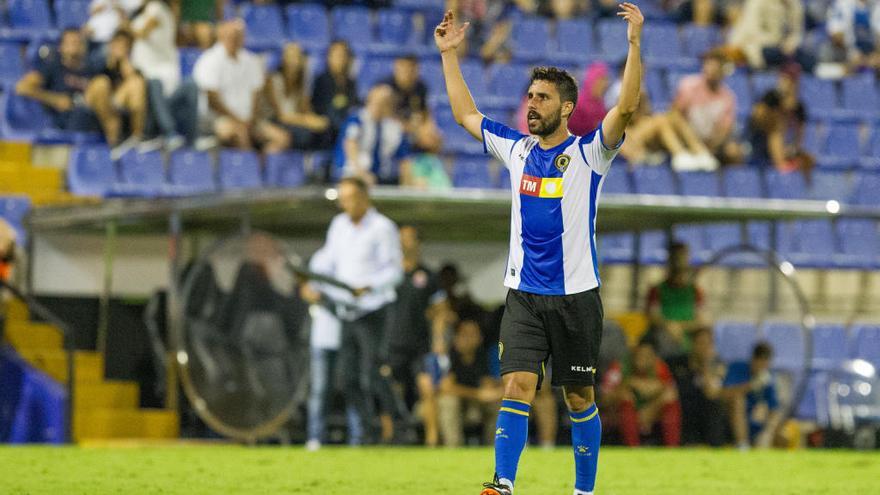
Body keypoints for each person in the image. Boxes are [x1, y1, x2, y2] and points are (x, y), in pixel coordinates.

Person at [434, 5, 644, 494]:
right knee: (516, 386)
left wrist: (634, 44)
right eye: (530, 96)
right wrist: (449, 56)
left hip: (577, 298)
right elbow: (466, 114)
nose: (531, 104)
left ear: (566, 108)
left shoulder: (591, 153)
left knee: (577, 397)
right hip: (524, 295)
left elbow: (627, 107)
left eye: (543, 98)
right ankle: (502, 485)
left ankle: (583, 491)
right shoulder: (517, 149)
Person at [301, 177, 404, 445]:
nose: (346, 204)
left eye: (350, 198)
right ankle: (368, 433)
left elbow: (395, 271)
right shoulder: (338, 226)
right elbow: (327, 260)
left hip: (374, 310)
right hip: (347, 311)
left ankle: (400, 426)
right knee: (347, 379)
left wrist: (369, 287)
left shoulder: (383, 227)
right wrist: (313, 281)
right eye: (342, 199)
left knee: (371, 374)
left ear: (364, 197)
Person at [16, 30, 127, 149]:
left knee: (113, 88)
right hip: (68, 118)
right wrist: (54, 99)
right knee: (101, 85)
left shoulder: (91, 69)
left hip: (92, 114)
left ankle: (123, 146)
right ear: (61, 47)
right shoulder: (53, 66)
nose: (75, 45)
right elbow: (22, 87)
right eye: (71, 42)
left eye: (78, 42)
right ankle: (115, 147)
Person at [192, 20, 289, 152]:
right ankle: (250, 169)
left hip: (249, 119)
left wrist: (251, 120)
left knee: (282, 138)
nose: (235, 38)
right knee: (240, 134)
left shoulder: (251, 60)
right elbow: (212, 101)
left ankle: (263, 167)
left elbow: (257, 95)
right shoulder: (209, 60)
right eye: (232, 35)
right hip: (218, 119)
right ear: (222, 35)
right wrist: (239, 121)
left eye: (239, 35)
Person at [386, 226, 445, 413]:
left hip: (420, 344)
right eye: (400, 238)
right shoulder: (388, 275)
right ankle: (391, 438)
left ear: (418, 242)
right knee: (391, 391)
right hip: (392, 343)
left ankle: (432, 440)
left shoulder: (429, 275)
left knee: (427, 388)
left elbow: (440, 311)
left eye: (408, 238)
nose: (404, 242)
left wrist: (438, 340)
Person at [130, 0, 196, 149]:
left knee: (154, 84)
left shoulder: (156, 7)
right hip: (155, 69)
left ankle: (169, 133)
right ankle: (155, 134)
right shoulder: (161, 11)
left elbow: (142, 32)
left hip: (160, 71)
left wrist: (122, 24)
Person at [601, 340, 682, 447]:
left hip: (649, 414)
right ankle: (632, 447)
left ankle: (672, 447)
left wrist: (650, 410)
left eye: (647, 356)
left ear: (654, 358)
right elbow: (604, 401)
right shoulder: (619, 368)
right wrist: (627, 385)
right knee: (626, 396)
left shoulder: (660, 368)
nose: (642, 359)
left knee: (669, 397)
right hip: (616, 415)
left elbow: (671, 393)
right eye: (639, 355)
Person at [438, 319, 504, 447]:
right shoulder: (448, 355)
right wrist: (478, 394)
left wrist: (494, 392)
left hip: (475, 406)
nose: (469, 339)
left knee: (498, 404)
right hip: (448, 405)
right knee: (449, 401)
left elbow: (487, 384)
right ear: (456, 337)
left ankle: (495, 449)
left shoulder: (483, 355)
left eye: (473, 334)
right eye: (465, 334)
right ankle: (453, 449)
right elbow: (445, 387)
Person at [669, 51, 739, 169]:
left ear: (722, 72)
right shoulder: (689, 85)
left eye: (715, 67)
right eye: (708, 65)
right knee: (674, 119)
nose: (711, 70)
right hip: (686, 139)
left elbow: (725, 129)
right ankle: (697, 154)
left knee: (734, 151)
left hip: (711, 144)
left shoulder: (728, 97)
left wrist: (711, 146)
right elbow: (675, 116)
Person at [88, 30, 149, 159]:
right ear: (111, 44)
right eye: (117, 44)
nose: (121, 48)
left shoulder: (130, 66)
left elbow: (137, 89)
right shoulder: (98, 59)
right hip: (97, 103)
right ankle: (113, 142)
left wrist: (124, 64)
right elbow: (93, 82)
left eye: (125, 46)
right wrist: (112, 62)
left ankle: (136, 138)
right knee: (101, 84)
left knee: (136, 82)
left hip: (118, 104)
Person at [334, 84, 411, 185]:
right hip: (353, 174)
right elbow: (350, 145)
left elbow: (404, 159)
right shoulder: (356, 119)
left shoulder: (395, 128)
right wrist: (361, 173)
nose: (379, 106)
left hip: (383, 178)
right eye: (376, 102)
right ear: (369, 100)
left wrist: (409, 180)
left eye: (385, 103)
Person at [645, 242, 709, 359]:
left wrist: (681, 327)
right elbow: (653, 316)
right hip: (663, 339)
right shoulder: (657, 290)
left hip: (689, 339)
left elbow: (701, 319)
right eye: (676, 257)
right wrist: (669, 326)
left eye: (683, 257)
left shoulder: (695, 291)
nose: (679, 262)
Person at [745, 65, 813, 174]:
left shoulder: (799, 107)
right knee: (776, 127)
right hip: (761, 143)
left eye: (791, 80)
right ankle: (782, 166)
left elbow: (800, 135)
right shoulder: (770, 97)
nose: (787, 82)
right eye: (784, 78)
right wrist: (781, 103)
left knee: (809, 160)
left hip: (787, 146)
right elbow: (756, 119)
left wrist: (793, 149)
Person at [263, 43, 330, 150]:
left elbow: (305, 109)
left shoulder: (302, 82)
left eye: (297, 57)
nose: (294, 61)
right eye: (291, 57)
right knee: (304, 135)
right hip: (273, 121)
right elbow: (281, 116)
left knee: (325, 130)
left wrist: (316, 120)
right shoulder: (274, 80)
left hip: (294, 121)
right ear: (284, 59)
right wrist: (307, 121)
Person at [667, 328, 727, 446]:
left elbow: (711, 393)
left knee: (713, 404)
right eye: (701, 343)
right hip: (682, 410)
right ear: (693, 345)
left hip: (705, 413)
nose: (705, 347)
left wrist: (705, 365)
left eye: (709, 343)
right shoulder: (676, 362)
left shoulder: (717, 365)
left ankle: (715, 445)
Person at [723, 341, 783, 450]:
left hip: (753, 422)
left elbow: (774, 408)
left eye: (766, 362)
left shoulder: (767, 378)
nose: (764, 366)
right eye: (761, 361)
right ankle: (742, 444)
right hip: (729, 420)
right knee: (738, 400)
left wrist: (767, 433)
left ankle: (763, 444)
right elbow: (724, 393)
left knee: (785, 433)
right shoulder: (737, 368)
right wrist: (751, 385)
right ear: (754, 359)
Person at [726, 0, 816, 72]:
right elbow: (753, 31)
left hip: (783, 49)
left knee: (809, 62)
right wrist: (778, 43)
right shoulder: (757, 2)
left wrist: (791, 44)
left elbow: (797, 32)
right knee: (772, 54)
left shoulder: (795, 4)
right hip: (754, 45)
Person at [304, 303, 342, 452]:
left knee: (353, 386)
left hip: (347, 334)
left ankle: (358, 437)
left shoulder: (352, 277)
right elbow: (307, 291)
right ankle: (315, 436)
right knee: (319, 389)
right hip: (321, 339)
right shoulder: (322, 280)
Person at [312, 40, 359, 149]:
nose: (341, 59)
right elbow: (322, 109)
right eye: (337, 55)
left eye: (344, 55)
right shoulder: (321, 80)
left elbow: (354, 105)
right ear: (329, 57)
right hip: (327, 130)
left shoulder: (351, 82)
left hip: (345, 128)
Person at [820, 0, 880, 70]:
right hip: (846, 52)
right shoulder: (842, 3)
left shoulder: (877, 4)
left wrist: (876, 55)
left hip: (872, 53)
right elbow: (836, 34)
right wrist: (853, 53)